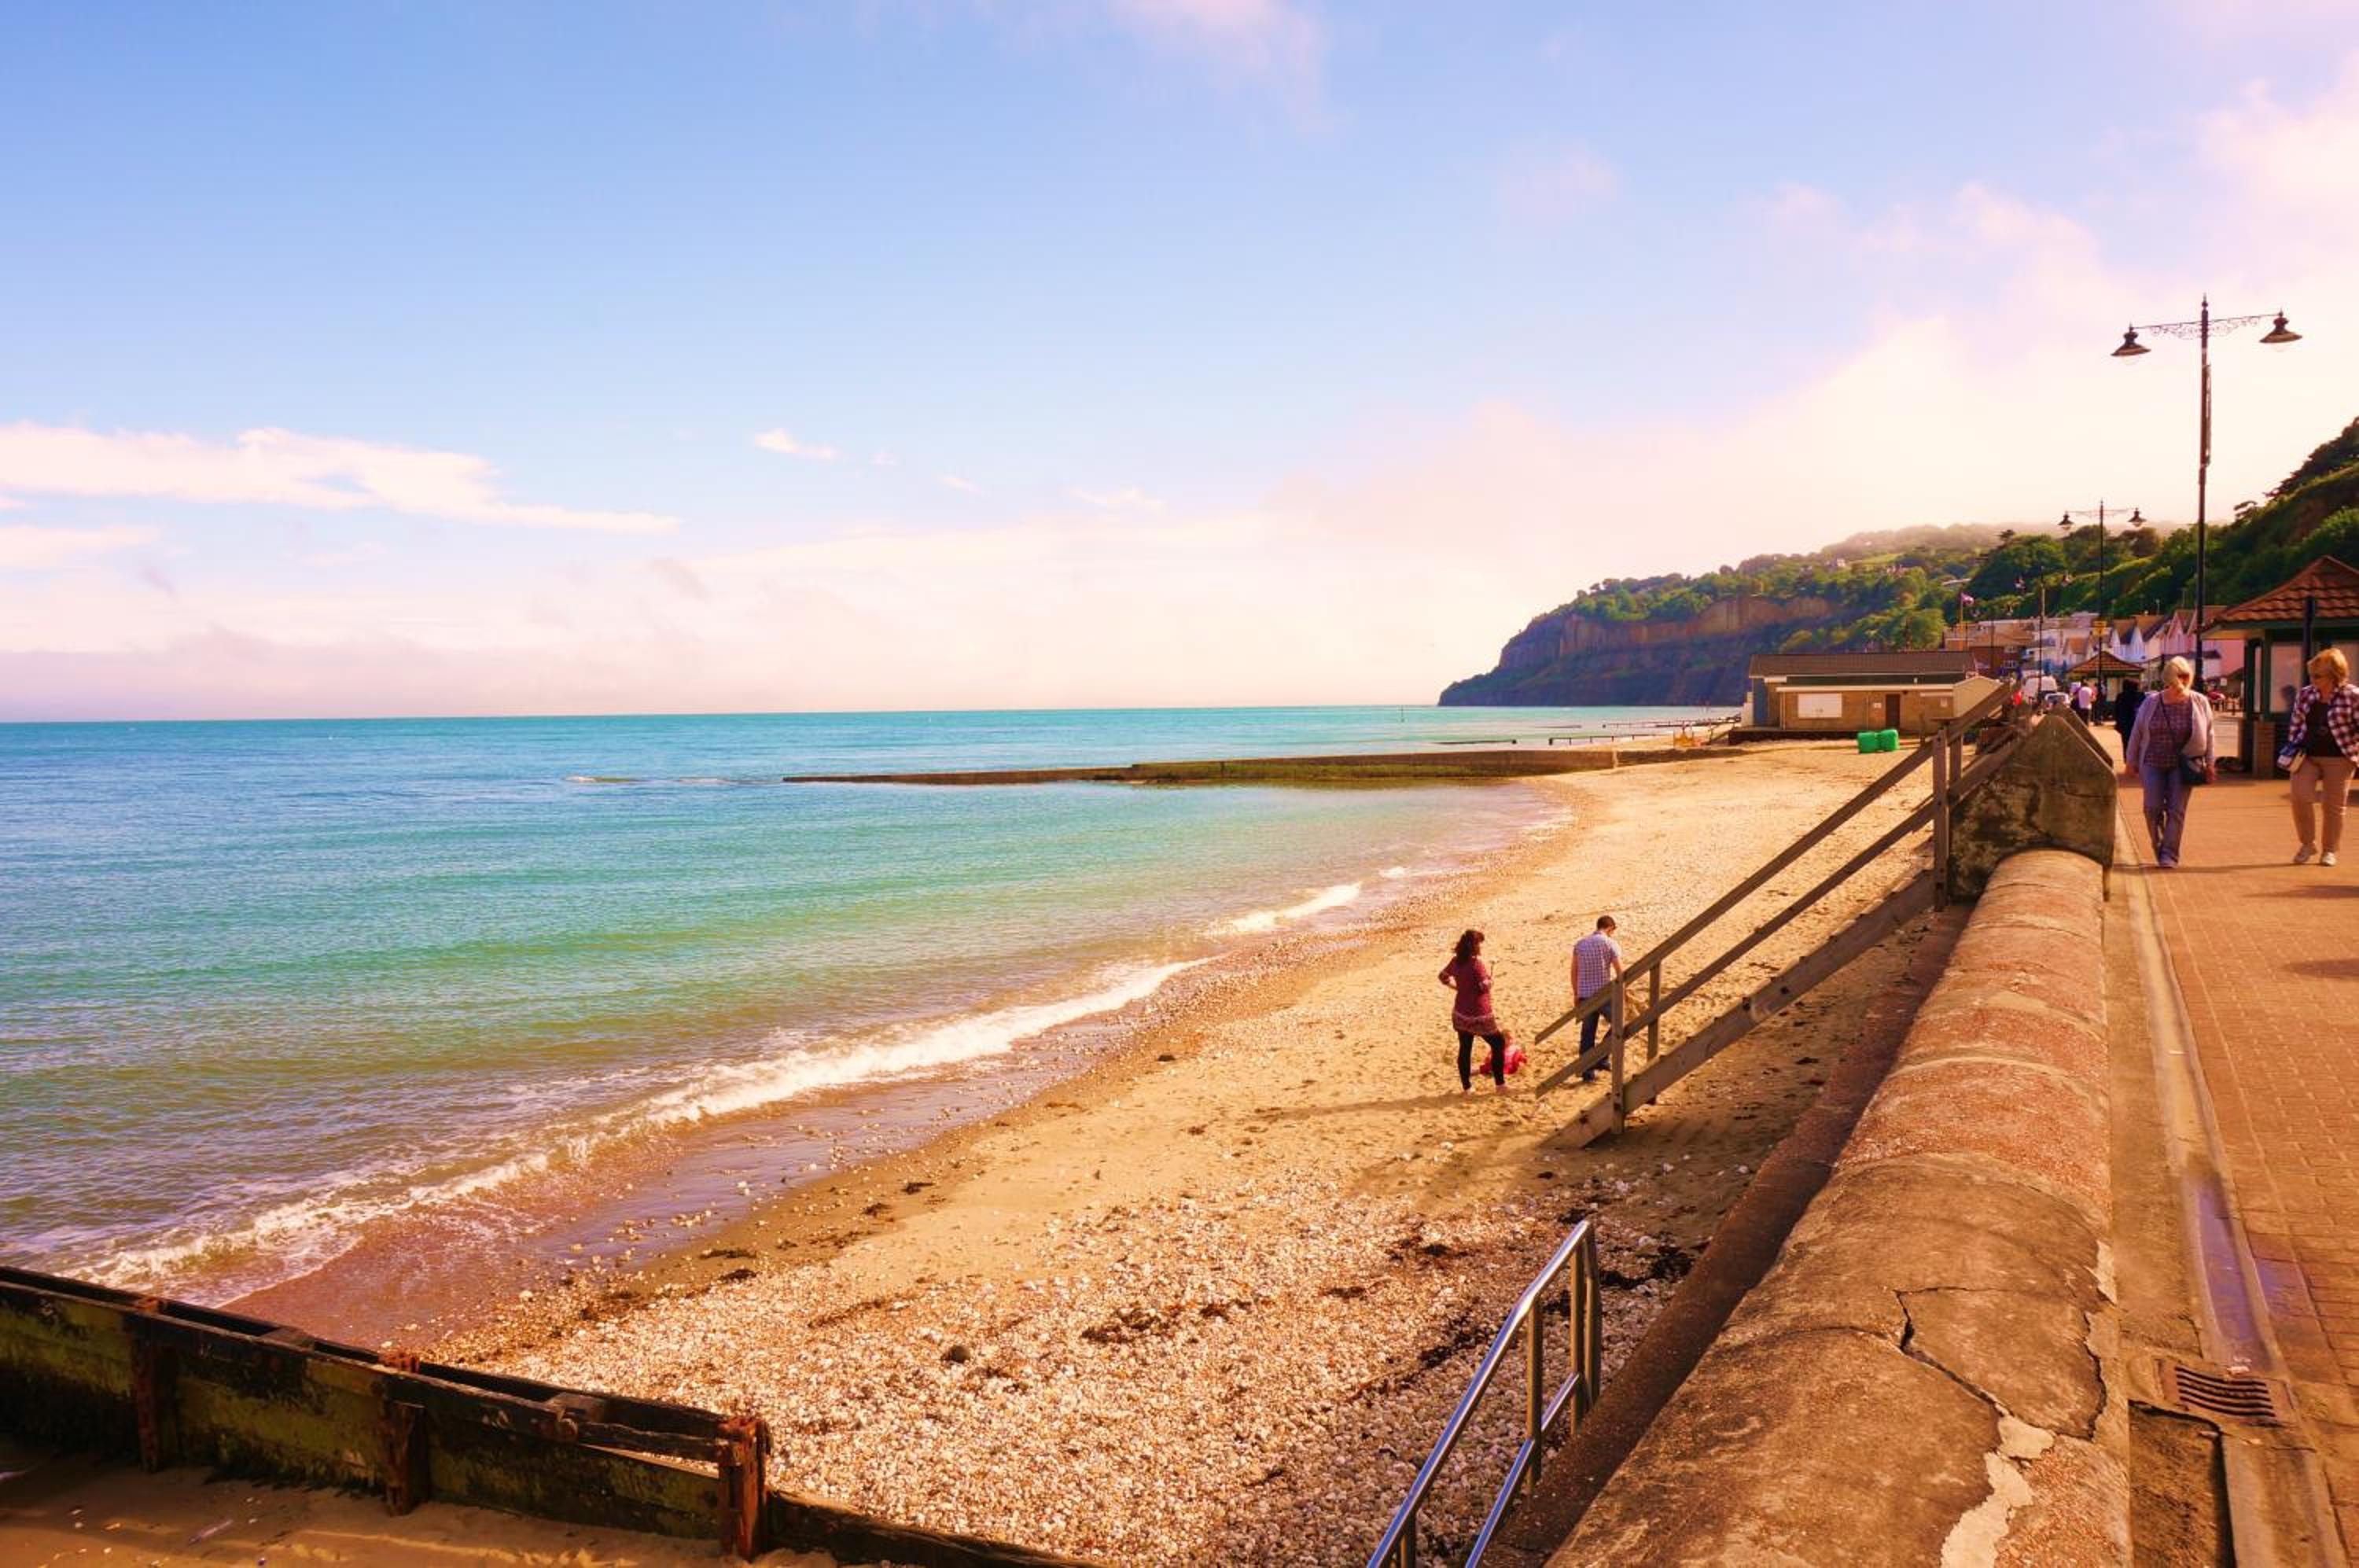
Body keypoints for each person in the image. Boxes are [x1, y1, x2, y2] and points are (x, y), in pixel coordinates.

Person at [2122, 656, 2214, 870]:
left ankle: (2169, 855)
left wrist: (2210, 763)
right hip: (2152, 761)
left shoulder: (2199, 702)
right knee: (2152, 807)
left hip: (2184, 765)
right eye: (2177, 679)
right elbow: (2137, 732)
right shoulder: (2152, 702)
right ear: (2167, 680)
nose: (2181, 683)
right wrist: (2131, 761)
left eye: (2185, 677)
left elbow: (2209, 733)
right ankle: (2159, 845)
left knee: (2176, 810)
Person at [2284, 647, 2359, 867]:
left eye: (2318, 676)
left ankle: (2329, 850)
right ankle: (2308, 844)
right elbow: (2296, 724)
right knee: (2300, 798)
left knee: (2333, 806)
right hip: (2307, 755)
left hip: (2340, 757)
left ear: (2334, 675)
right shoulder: (2306, 694)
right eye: (2311, 675)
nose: (2313, 680)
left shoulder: (2353, 696)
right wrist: (2293, 747)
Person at [1437, 929, 1508, 1093]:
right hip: (1479, 1014)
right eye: (1479, 944)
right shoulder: (1477, 964)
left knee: (1465, 1048)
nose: (1480, 947)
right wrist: (1491, 980)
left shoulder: (1456, 961)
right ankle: (1500, 1085)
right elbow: (1484, 987)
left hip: (1461, 1013)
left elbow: (1442, 976)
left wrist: (1456, 987)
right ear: (1475, 946)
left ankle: (1467, 1088)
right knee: (1498, 1044)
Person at [1570, 915, 1625, 1083]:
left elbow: (1574, 971)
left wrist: (1576, 993)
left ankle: (1587, 1073)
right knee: (1619, 1023)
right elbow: (1620, 971)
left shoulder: (1580, 944)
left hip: (1585, 995)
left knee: (1587, 1033)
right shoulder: (1610, 943)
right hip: (1604, 994)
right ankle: (1601, 1057)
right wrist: (1624, 991)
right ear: (1610, 928)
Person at [2114, 681, 2145, 753]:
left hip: (2125, 724)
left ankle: (2127, 757)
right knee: (2140, 744)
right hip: (2138, 723)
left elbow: (2117, 710)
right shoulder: (2141, 695)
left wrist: (2118, 723)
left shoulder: (2121, 696)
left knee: (2126, 744)